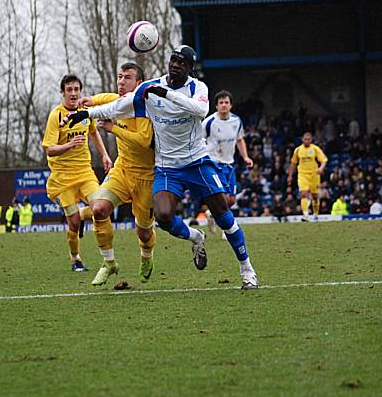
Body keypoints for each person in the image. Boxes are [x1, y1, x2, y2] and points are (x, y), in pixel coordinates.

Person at [66, 45, 258, 290]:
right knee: (164, 217)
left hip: (197, 162)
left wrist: (166, 94)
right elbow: (118, 106)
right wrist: (86, 114)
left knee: (223, 215)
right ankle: (195, 236)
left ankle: (247, 270)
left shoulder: (197, 87)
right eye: (174, 60)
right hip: (167, 167)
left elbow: (201, 110)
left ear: (189, 69)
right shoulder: (149, 89)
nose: (176, 65)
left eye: (182, 62)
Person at [75, 63, 156, 286]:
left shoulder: (147, 109)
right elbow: (105, 98)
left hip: (146, 177)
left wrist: (114, 129)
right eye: (120, 77)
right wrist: (89, 100)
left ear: (139, 84)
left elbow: (144, 142)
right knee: (99, 209)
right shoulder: (116, 100)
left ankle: (147, 256)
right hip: (122, 170)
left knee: (144, 233)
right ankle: (109, 263)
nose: (121, 81)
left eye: (127, 78)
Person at [42, 74, 112, 272]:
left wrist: (105, 155)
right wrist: (70, 145)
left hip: (84, 173)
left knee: (102, 207)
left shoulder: (84, 111)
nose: (73, 93)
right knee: (73, 223)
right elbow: (49, 149)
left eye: (76, 89)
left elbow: (93, 132)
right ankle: (75, 259)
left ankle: (82, 214)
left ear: (80, 91)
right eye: (69, 90)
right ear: (62, 92)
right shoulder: (56, 116)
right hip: (63, 178)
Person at [201, 90, 254, 238]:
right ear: (216, 106)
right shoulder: (208, 122)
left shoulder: (236, 121)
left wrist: (246, 157)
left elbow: (240, 140)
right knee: (222, 198)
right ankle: (227, 228)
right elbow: (199, 140)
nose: (223, 105)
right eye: (221, 103)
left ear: (231, 105)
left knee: (231, 200)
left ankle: (211, 213)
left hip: (229, 164)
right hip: (213, 163)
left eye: (226, 102)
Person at [287, 132, 328, 221]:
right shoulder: (298, 150)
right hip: (302, 174)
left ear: (311, 140)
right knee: (303, 193)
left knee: (315, 196)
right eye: (305, 139)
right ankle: (305, 215)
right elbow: (293, 164)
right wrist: (290, 175)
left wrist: (321, 168)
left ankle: (316, 213)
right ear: (302, 139)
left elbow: (324, 160)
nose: (307, 141)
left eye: (308, 140)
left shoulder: (315, 149)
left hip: (314, 174)